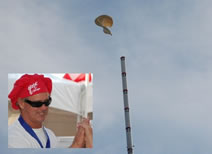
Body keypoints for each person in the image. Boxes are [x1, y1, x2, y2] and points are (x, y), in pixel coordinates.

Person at [8, 74, 93, 148]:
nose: (44, 108)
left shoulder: (50, 134)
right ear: (21, 103)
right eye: (37, 103)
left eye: (47, 102)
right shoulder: (13, 138)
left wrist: (77, 143)